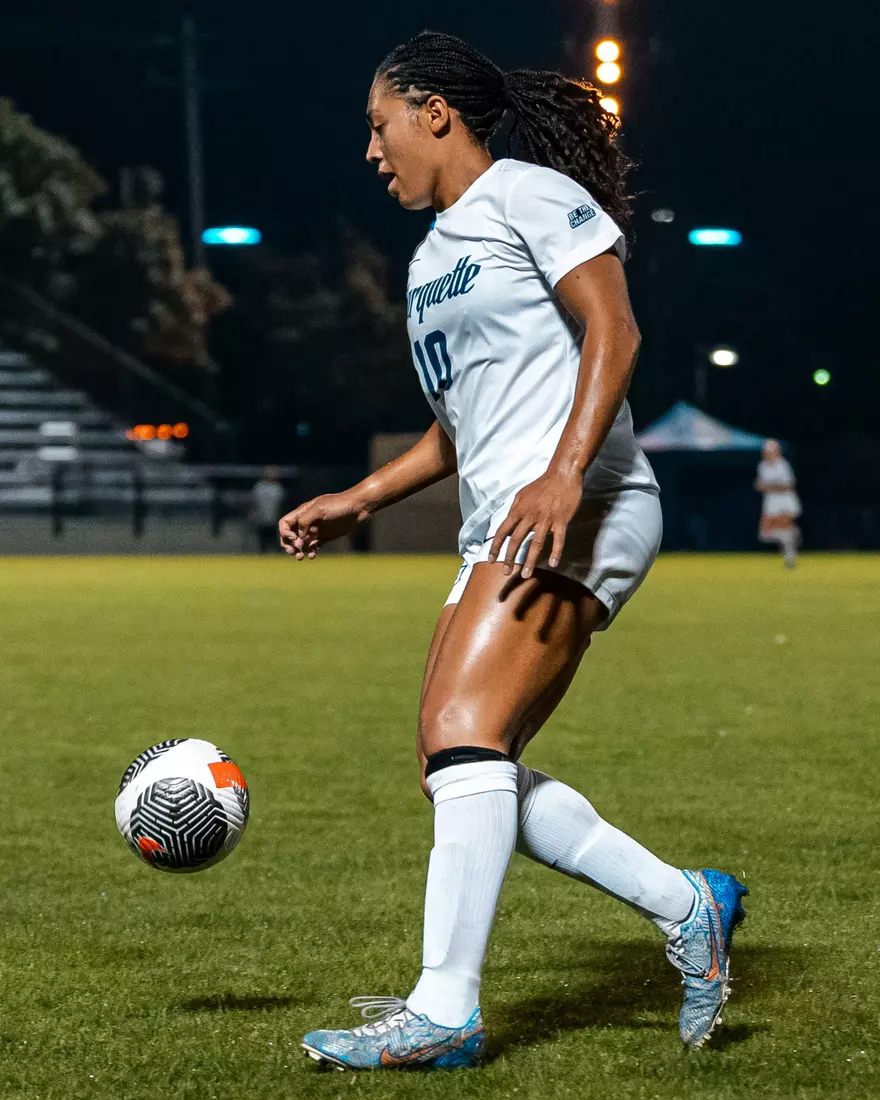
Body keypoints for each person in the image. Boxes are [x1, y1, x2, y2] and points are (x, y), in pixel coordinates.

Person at [279, 31, 747, 1071]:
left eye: (378, 124)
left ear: (433, 111)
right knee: (456, 762)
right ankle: (689, 904)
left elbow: (613, 333)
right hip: (502, 520)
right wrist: (359, 496)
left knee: (460, 730)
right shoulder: (430, 260)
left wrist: (565, 470)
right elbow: (459, 426)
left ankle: (444, 1006)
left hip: (584, 501)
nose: (371, 150)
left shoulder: (528, 195)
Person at [755, 439, 801, 567]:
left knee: (784, 526)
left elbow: (789, 485)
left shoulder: (782, 465)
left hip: (785, 499)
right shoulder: (762, 466)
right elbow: (760, 485)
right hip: (771, 500)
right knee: (764, 534)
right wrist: (765, 487)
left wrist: (770, 487)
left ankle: (790, 557)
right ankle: (793, 536)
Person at [250, 467, 285, 553]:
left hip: (274, 519)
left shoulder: (278, 488)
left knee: (276, 542)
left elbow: (281, 504)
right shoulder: (259, 487)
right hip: (261, 519)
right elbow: (254, 502)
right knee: (262, 542)